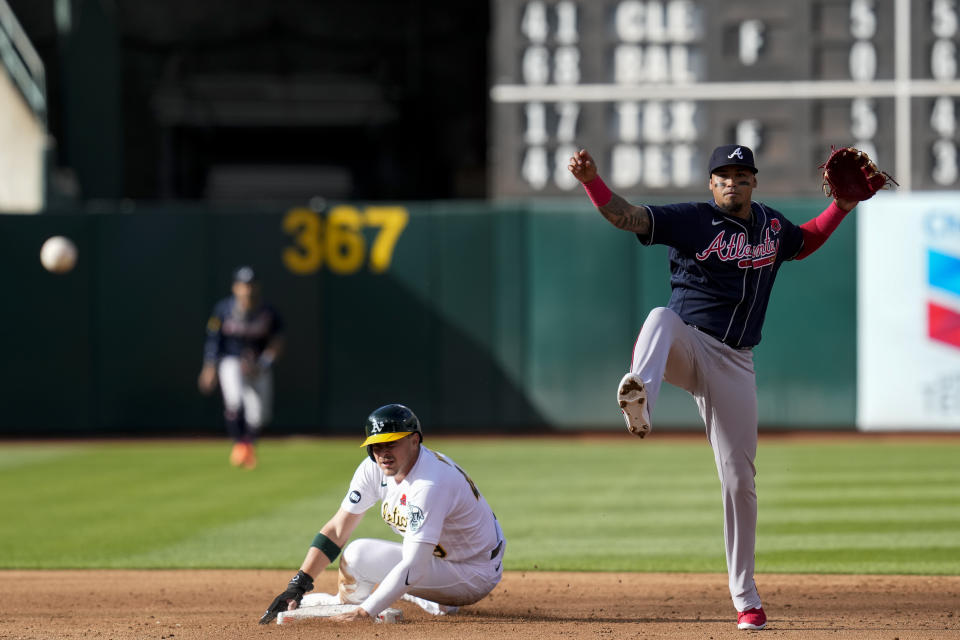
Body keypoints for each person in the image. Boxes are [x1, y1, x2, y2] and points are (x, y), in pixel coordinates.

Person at [568, 145, 859, 631]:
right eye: (723, 175)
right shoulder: (692, 220)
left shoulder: (770, 226)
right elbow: (628, 218)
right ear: (711, 183)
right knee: (660, 317)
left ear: (754, 183)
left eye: (742, 175)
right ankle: (641, 399)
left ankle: (746, 598)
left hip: (735, 362)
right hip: (687, 344)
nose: (732, 183)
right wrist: (592, 182)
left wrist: (841, 208)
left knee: (740, 481)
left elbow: (803, 242)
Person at [258, 404, 505, 624]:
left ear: (414, 440)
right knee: (356, 554)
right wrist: (298, 584)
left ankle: (427, 600)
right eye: (376, 445)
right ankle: (353, 604)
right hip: (436, 559)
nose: (383, 452)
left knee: (398, 573)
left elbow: (414, 566)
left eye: (391, 443)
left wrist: (367, 612)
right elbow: (338, 529)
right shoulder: (373, 468)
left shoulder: (430, 483)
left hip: (472, 572)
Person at [198, 266, 284, 469]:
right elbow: (213, 340)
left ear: (257, 286)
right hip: (231, 360)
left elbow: (278, 340)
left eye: (251, 285)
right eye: (243, 285)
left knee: (260, 414)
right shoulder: (223, 309)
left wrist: (264, 363)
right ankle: (241, 446)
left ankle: (247, 446)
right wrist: (209, 367)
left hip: (258, 363)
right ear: (235, 287)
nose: (247, 289)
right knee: (234, 400)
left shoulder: (267, 312)